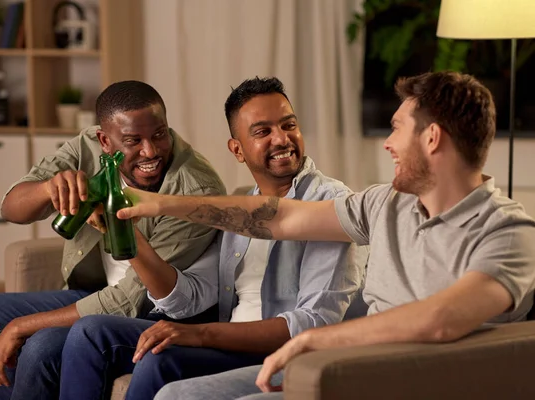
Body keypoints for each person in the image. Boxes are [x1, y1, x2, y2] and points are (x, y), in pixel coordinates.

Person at [118, 71, 535, 400]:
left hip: (420, 383)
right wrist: (158, 203)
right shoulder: (386, 204)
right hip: (360, 368)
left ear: (431, 138)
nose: (387, 143)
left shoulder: (508, 232)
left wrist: (317, 339)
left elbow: (441, 320)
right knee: (178, 394)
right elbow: (277, 219)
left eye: (396, 128)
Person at [57, 77, 368, 400]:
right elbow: (187, 298)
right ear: (237, 149)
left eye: (289, 125)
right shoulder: (235, 212)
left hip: (284, 354)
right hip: (231, 347)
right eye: (263, 132)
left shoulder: (331, 203)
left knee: (157, 361)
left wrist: (199, 334)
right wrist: (126, 232)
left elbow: (313, 322)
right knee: (92, 332)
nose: (282, 139)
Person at [0, 80, 226, 400]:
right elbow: (12, 208)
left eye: (159, 134)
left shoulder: (195, 190)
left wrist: (22, 325)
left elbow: (134, 299)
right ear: (104, 140)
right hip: (97, 290)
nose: (151, 151)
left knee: (40, 347)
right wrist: (49, 188)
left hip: (151, 311)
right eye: (133, 140)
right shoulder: (86, 146)